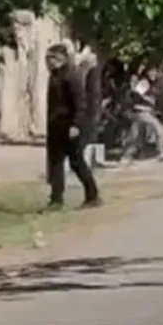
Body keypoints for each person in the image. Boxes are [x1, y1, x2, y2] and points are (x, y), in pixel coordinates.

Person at [45, 44, 101, 209]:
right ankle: (56, 199)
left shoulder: (71, 76)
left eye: (53, 57)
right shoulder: (54, 76)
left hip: (70, 126)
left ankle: (92, 195)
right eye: (48, 58)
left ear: (62, 58)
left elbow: (80, 103)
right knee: (55, 163)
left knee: (76, 162)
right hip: (56, 126)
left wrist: (76, 125)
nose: (49, 61)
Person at [120, 66, 163, 164]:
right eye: (151, 72)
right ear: (147, 73)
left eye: (155, 72)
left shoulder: (151, 85)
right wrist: (146, 99)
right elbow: (135, 93)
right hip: (142, 112)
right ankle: (160, 152)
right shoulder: (144, 83)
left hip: (144, 113)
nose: (153, 74)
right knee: (158, 130)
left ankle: (127, 156)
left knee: (137, 134)